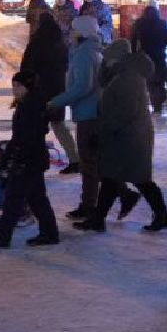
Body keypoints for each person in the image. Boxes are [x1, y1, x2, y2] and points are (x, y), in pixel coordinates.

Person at [73, 39, 167, 232]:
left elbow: (124, 111)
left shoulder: (128, 78)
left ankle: (162, 215)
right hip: (127, 136)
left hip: (128, 137)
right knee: (116, 177)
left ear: (117, 59)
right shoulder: (123, 74)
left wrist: (102, 132)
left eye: (108, 58)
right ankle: (100, 218)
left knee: (134, 178)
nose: (106, 61)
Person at [0, 70, 60, 248]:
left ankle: (2, 237)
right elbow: (21, 136)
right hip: (33, 159)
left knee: (14, 199)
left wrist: (16, 158)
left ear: (28, 86)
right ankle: (50, 233)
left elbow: (26, 137)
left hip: (28, 160)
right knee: (37, 199)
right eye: (13, 85)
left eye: (18, 86)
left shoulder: (30, 106)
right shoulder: (31, 103)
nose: (15, 89)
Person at [53, 16, 105, 221]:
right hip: (92, 112)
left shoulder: (84, 54)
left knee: (88, 164)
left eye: (73, 30)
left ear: (82, 32)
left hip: (88, 114)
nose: (70, 33)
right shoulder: (92, 51)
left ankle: (88, 205)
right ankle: (118, 195)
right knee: (93, 162)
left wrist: (57, 101)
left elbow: (82, 86)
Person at [20, 14, 81, 175]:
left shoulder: (37, 42)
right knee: (59, 125)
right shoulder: (61, 43)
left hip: (39, 91)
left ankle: (38, 161)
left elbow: (27, 67)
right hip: (58, 89)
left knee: (37, 128)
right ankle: (75, 159)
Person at [132, 1, 167, 114]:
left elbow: (133, 41)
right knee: (159, 82)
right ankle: (158, 106)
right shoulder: (162, 23)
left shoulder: (139, 23)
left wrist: (133, 54)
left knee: (147, 82)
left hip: (144, 57)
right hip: (159, 56)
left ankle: (146, 105)